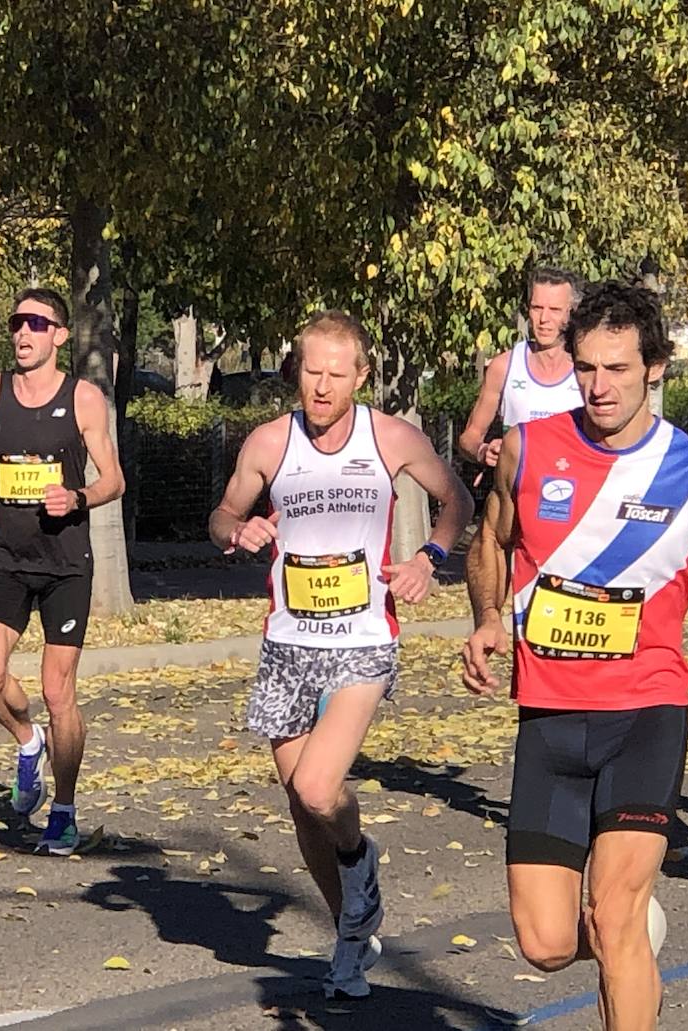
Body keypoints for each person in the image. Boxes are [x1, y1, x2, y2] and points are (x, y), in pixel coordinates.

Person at [462, 282, 688, 1028]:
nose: (599, 386)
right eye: (586, 368)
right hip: (550, 718)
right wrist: (485, 616)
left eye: (618, 369)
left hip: (646, 713)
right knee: (543, 942)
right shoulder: (530, 447)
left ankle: (624, 935)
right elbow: (489, 541)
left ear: (657, 368)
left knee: (611, 913)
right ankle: (630, 935)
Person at [210, 310, 474, 999]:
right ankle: (350, 930)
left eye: (336, 373)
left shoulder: (389, 437)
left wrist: (429, 556)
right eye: (310, 370)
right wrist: (241, 530)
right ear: (295, 370)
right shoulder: (270, 442)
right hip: (288, 643)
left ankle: (359, 860)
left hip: (363, 640)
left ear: (360, 375)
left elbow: (457, 498)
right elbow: (222, 515)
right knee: (301, 810)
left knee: (319, 787)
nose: (321, 386)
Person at [0, 288, 125, 856]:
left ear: (59, 335)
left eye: (36, 323)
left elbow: (114, 479)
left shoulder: (83, 399)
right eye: (16, 323)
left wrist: (77, 497)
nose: (22, 333)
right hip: (6, 557)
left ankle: (64, 808)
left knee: (58, 692)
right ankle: (27, 743)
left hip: (64, 565)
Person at [457, 267, 584, 467]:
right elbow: (469, 437)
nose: (543, 319)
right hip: (514, 493)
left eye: (555, 310)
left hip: (570, 489)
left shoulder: (587, 368)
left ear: (572, 311)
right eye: (537, 308)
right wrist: (483, 451)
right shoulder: (504, 366)